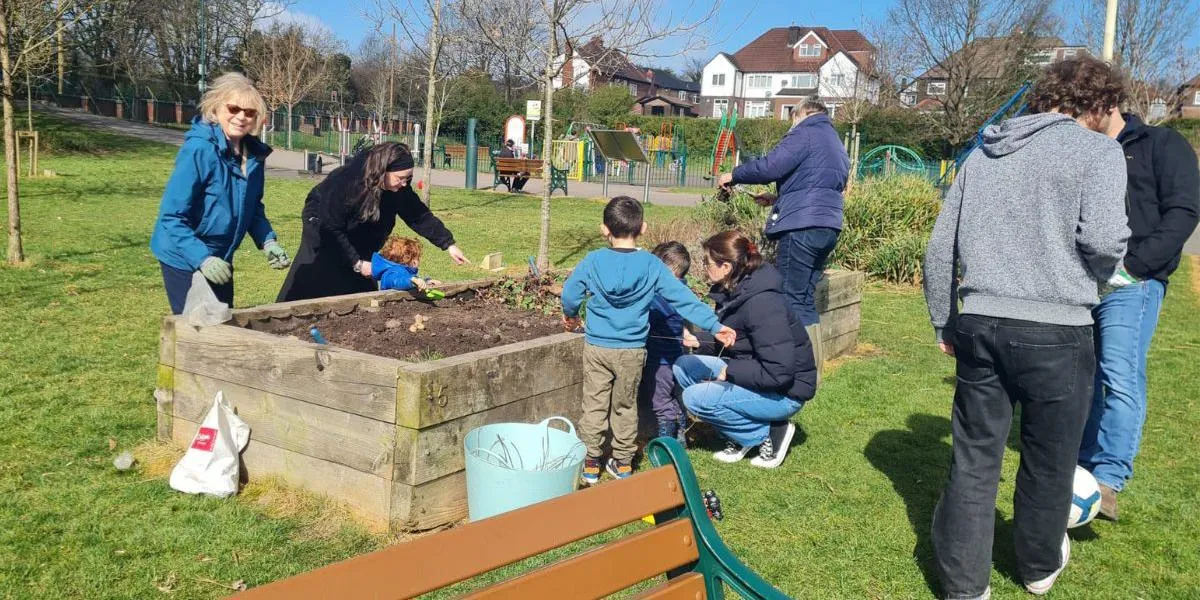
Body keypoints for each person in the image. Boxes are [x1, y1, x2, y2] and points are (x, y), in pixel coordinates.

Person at [923, 57, 1131, 599]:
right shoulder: (1098, 151)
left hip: (980, 323)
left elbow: (940, 246)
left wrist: (944, 319)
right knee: (1049, 459)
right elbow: (1108, 241)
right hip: (1057, 330)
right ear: (1099, 104)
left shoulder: (982, 154)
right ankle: (1038, 567)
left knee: (974, 461)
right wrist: (1096, 278)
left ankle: (965, 588)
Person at [1077, 106, 1200, 520]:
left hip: (1135, 282)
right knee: (1086, 374)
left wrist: (1136, 266)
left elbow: (1184, 212)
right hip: (1084, 280)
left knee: (1119, 372)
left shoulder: (1161, 144)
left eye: (1080, 110)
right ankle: (1083, 464)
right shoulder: (1086, 149)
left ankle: (1109, 477)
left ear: (1106, 105)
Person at [561, 196, 736, 485]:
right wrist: (714, 325)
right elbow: (683, 300)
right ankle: (623, 462)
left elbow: (570, 294)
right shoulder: (652, 265)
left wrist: (570, 315)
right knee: (625, 405)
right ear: (642, 228)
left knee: (593, 404)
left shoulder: (593, 260)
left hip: (598, 348)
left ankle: (591, 463)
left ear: (604, 229)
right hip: (631, 350)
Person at [673, 231, 816, 470]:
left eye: (707, 262)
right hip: (760, 378)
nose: (704, 266)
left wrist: (730, 372)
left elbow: (779, 371)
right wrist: (700, 340)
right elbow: (741, 340)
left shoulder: (763, 303)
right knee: (684, 366)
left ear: (726, 266)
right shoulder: (737, 290)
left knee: (694, 397)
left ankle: (769, 432)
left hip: (786, 393)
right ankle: (739, 433)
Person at [150, 72, 289, 313]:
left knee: (223, 320)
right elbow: (172, 217)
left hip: (221, 256)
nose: (240, 117)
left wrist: (268, 241)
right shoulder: (199, 150)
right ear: (216, 108)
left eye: (249, 112)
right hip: (184, 255)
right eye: (233, 108)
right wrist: (202, 258)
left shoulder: (254, 157)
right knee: (198, 330)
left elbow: (253, 207)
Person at [277, 142, 469, 302]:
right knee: (318, 277)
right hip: (323, 229)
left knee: (361, 288)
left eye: (408, 179)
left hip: (362, 235)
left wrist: (448, 244)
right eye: (400, 178)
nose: (404, 184)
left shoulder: (399, 188)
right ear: (383, 171)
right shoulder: (348, 183)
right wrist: (356, 262)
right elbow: (331, 227)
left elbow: (417, 214)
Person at [717, 100, 849, 331]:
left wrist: (734, 175)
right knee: (806, 300)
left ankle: (796, 364)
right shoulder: (834, 142)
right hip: (828, 224)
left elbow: (771, 166)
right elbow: (821, 184)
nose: (791, 124)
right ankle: (812, 363)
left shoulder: (805, 132)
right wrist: (778, 198)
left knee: (791, 300)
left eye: (792, 118)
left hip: (802, 226)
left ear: (802, 113)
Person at [637, 241, 693, 443]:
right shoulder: (680, 292)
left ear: (670, 271)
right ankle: (680, 437)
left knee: (660, 401)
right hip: (673, 357)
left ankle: (666, 441)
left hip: (661, 361)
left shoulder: (665, 297)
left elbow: (645, 316)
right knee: (673, 398)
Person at [370, 235, 442, 292]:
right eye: (417, 258)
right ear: (410, 260)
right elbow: (397, 281)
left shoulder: (402, 271)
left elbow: (410, 279)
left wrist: (426, 282)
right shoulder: (391, 273)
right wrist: (411, 281)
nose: (419, 261)